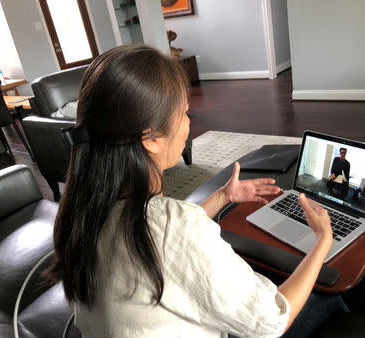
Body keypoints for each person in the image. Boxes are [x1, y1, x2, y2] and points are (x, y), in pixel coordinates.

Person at [45, 44, 347, 338]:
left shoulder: (83, 211)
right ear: (149, 138)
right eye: (184, 113)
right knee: (329, 296)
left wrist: (223, 197)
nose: (189, 124)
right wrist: (322, 240)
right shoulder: (174, 228)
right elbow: (272, 320)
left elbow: (167, 245)